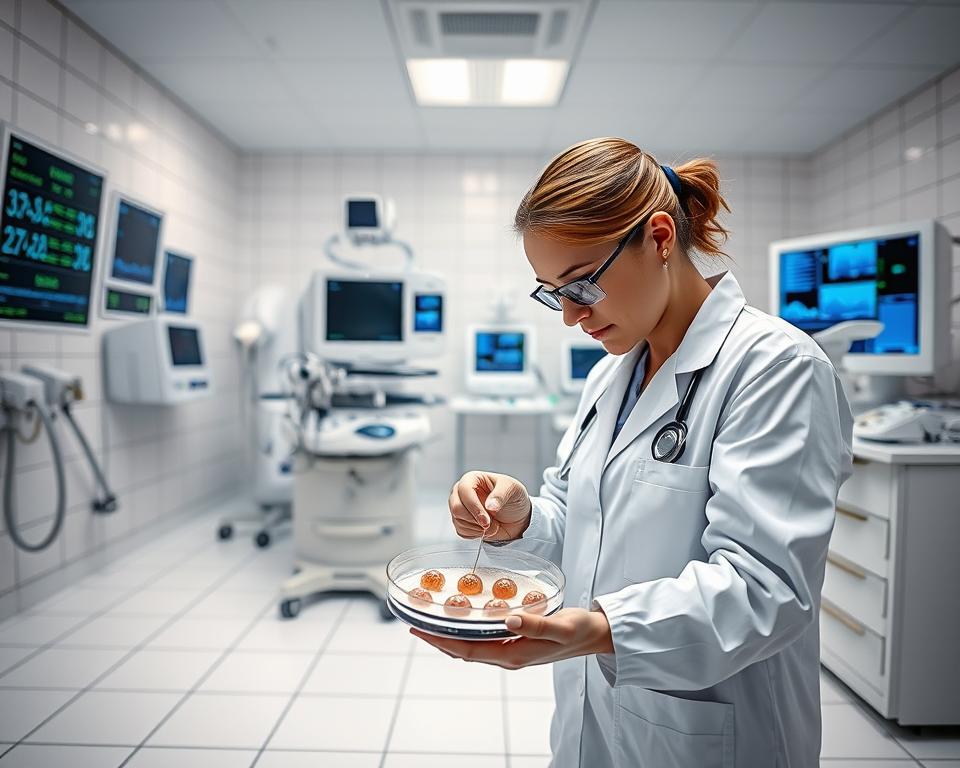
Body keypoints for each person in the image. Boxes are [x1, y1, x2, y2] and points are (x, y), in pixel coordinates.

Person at [411, 137, 854, 768]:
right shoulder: (613, 372)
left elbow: (766, 590)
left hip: (713, 731)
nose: (569, 318)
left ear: (661, 238)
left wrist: (599, 630)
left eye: (581, 286)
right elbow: (580, 518)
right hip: (596, 714)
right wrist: (526, 518)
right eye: (550, 292)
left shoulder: (775, 369)